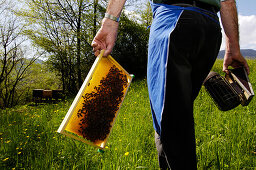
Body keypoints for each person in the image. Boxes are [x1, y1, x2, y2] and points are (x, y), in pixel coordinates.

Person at [91, 0, 249, 169]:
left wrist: (109, 20)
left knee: (169, 123)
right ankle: (198, 77)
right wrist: (232, 46)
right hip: (210, 29)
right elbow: (227, 1)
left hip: (173, 20)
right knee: (177, 115)